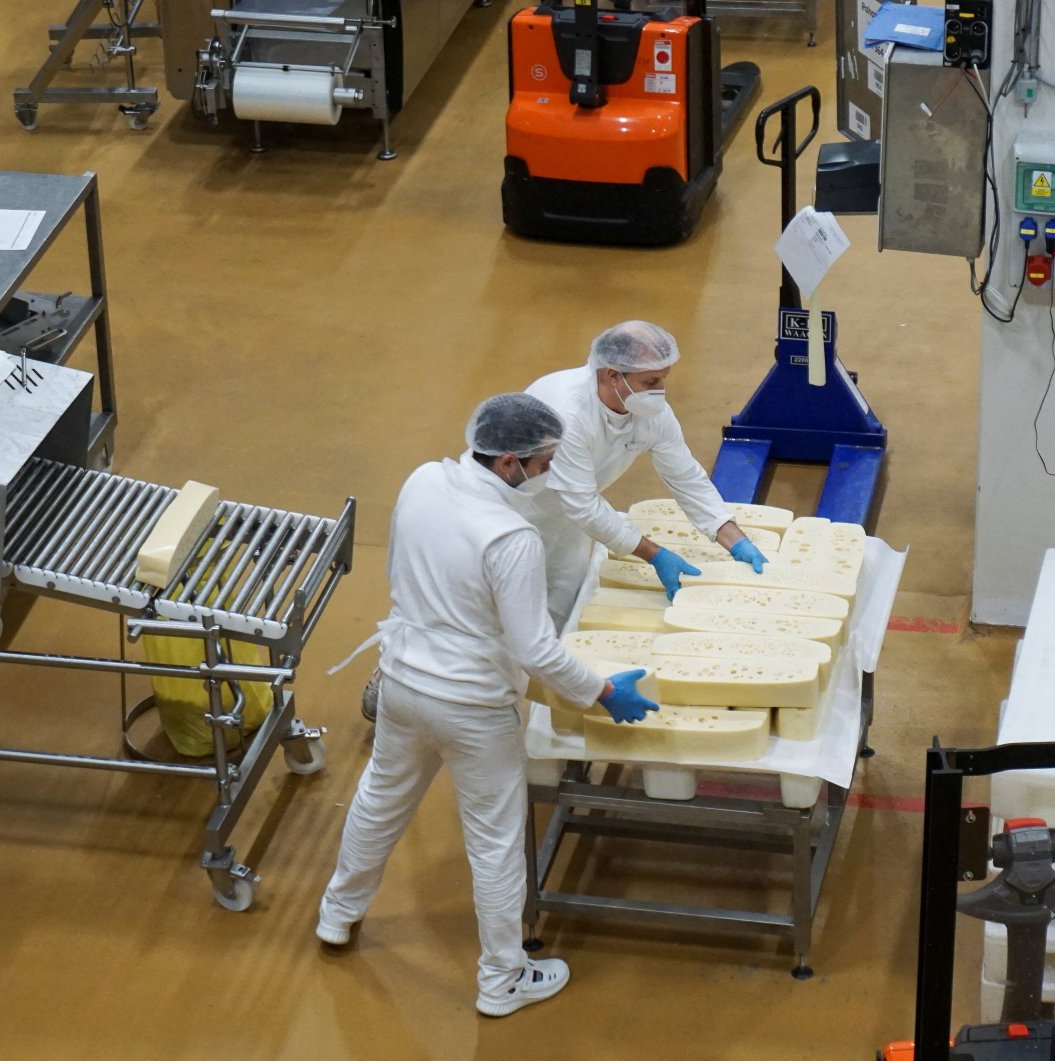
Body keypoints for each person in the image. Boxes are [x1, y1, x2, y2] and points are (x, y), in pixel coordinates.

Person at [319, 394, 658, 1017]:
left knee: (379, 799)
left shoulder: (423, 479)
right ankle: (502, 980)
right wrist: (606, 693)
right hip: (472, 705)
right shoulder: (511, 536)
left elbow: (402, 572)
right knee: (495, 842)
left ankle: (338, 913)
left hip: (401, 681)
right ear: (509, 464)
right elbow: (536, 651)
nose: (550, 472)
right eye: (545, 462)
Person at [523, 320, 767, 629]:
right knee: (510, 613)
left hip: (570, 517)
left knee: (563, 604)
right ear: (612, 375)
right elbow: (583, 504)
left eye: (663, 380)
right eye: (651, 382)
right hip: (522, 513)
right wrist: (654, 554)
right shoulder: (567, 413)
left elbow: (684, 475)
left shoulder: (649, 412)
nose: (659, 392)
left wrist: (731, 536)